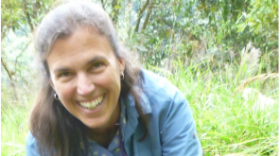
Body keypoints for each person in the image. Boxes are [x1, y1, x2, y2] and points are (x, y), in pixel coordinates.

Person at [26, 0, 202, 155]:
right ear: (52, 83)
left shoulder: (167, 106)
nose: (85, 89)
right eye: (65, 74)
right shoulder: (42, 140)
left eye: (96, 66)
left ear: (120, 62)